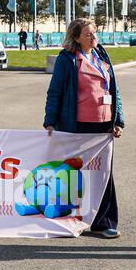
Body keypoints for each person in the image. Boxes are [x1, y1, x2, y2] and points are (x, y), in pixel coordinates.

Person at [42, 18, 123, 238]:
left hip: (103, 127)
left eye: (95, 33)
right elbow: (55, 92)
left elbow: (115, 90)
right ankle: (69, 218)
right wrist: (50, 120)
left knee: (103, 174)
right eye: (88, 34)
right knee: (75, 174)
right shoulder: (67, 60)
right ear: (76, 38)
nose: (93, 37)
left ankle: (103, 222)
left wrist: (119, 120)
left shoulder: (101, 55)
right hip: (77, 126)